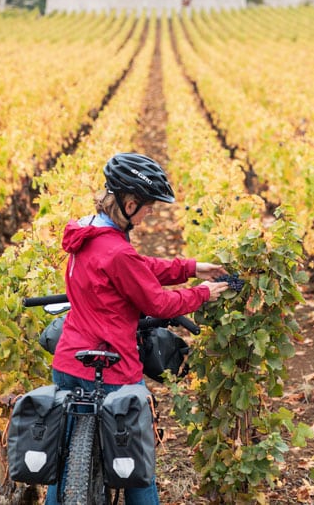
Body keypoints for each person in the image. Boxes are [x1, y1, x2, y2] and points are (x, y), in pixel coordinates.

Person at [45, 152, 229, 505]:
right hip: (115, 366)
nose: (149, 215)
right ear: (130, 204)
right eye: (148, 208)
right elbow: (157, 303)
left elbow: (136, 267)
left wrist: (191, 268)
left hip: (69, 362)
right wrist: (202, 294)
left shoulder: (87, 232)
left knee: (63, 461)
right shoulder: (117, 252)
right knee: (138, 466)